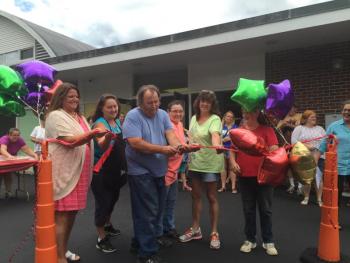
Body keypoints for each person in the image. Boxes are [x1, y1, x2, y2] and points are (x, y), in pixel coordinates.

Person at [123, 85, 188, 263]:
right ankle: (147, 253)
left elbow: (170, 134)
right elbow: (135, 143)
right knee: (147, 211)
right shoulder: (133, 116)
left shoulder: (162, 115)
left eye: (156, 101)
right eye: (149, 102)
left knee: (155, 209)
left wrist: (177, 146)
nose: (153, 105)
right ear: (140, 103)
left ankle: (138, 243)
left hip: (159, 169)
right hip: (140, 170)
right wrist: (163, 149)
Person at [45, 82, 107, 263]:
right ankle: (57, 257)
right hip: (65, 172)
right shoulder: (55, 116)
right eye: (70, 96)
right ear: (61, 98)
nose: (75, 99)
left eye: (76, 96)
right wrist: (93, 133)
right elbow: (70, 141)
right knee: (62, 215)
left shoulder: (78, 117)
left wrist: (106, 138)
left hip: (79, 173)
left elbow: (94, 142)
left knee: (71, 215)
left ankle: (62, 250)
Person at [229, 108, 279, 256]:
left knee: (266, 210)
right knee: (248, 209)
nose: (246, 114)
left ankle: (268, 240)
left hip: (264, 176)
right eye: (244, 112)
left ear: (257, 113)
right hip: (245, 175)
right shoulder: (239, 131)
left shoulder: (267, 130)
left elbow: (274, 149)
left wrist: (268, 148)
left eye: (249, 111)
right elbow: (232, 150)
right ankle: (250, 239)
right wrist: (232, 162)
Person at [179, 90, 224, 250]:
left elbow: (215, 135)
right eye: (202, 101)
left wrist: (217, 144)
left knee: (212, 197)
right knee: (196, 197)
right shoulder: (192, 118)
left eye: (208, 102)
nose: (204, 104)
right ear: (198, 102)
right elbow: (191, 138)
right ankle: (196, 229)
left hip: (210, 163)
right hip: (195, 163)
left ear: (212, 105)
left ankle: (214, 232)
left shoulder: (215, 119)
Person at [91, 94, 126, 253]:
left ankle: (107, 224)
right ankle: (101, 237)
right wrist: (106, 138)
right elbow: (101, 144)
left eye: (115, 106)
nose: (113, 109)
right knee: (103, 203)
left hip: (116, 170)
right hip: (101, 171)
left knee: (113, 200)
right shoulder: (100, 123)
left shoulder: (118, 122)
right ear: (102, 109)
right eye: (109, 107)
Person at [162, 100, 188, 240]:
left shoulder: (180, 125)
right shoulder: (168, 126)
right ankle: (159, 233)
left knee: (171, 203)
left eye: (180, 111)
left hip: (175, 170)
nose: (178, 113)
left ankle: (169, 228)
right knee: (161, 204)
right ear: (168, 112)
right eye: (175, 111)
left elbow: (182, 144)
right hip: (165, 171)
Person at [291, 110, 325, 206]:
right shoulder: (299, 128)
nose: (314, 118)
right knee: (307, 178)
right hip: (304, 157)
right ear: (305, 118)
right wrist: (306, 146)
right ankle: (306, 197)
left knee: (319, 177)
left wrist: (316, 149)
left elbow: (325, 141)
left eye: (315, 117)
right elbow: (294, 142)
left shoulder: (320, 129)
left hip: (319, 155)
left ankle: (319, 198)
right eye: (312, 117)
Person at [319, 100, 350, 207]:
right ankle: (333, 221)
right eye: (344, 110)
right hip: (337, 166)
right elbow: (324, 144)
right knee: (336, 196)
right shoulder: (334, 126)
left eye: (349, 110)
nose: (346, 112)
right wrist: (315, 160)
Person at [0, 128, 38, 198]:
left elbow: (26, 149)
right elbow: (2, 150)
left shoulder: (19, 140)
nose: (16, 137)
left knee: (8, 175)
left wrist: (34, 155)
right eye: (14, 135)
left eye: (18, 135)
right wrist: (9, 156)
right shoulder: (4, 139)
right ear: (9, 135)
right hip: (2, 158)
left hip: (9, 160)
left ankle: (8, 192)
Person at [277, 105, 302, 193]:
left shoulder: (300, 116)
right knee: (288, 165)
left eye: (293, 109)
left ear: (296, 109)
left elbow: (300, 128)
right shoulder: (283, 118)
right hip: (286, 144)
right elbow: (277, 129)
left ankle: (300, 186)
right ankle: (292, 185)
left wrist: (289, 125)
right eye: (289, 109)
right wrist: (284, 123)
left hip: (297, 144)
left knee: (298, 165)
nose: (291, 111)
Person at [218, 111, 238, 193]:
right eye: (227, 116)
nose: (229, 118)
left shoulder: (235, 127)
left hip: (231, 149)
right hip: (223, 149)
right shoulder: (220, 127)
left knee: (232, 168)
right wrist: (222, 139)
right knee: (223, 168)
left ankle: (233, 187)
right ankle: (223, 186)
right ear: (224, 117)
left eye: (231, 117)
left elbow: (237, 138)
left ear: (233, 118)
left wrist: (229, 138)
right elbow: (217, 137)